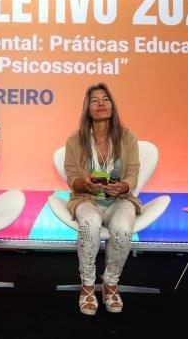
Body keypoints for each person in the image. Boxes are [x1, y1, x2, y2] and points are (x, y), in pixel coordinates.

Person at [64, 83, 141, 315]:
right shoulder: (75, 140)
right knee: (89, 223)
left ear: (112, 105)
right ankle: (87, 286)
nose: (100, 104)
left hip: (120, 199)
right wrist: (84, 184)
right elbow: (71, 176)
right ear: (87, 108)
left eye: (105, 99)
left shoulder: (128, 138)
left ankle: (110, 283)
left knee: (123, 228)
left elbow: (133, 173)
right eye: (94, 100)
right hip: (87, 199)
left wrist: (123, 186)